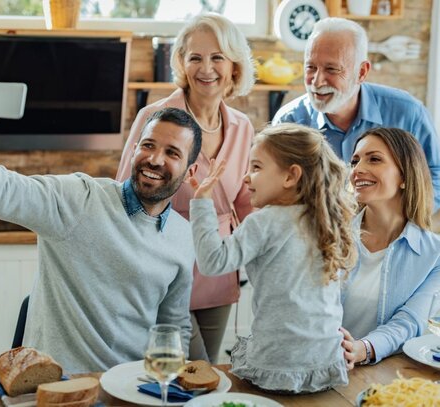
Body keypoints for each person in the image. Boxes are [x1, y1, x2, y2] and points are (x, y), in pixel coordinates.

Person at [0, 76, 203, 374]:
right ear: (133, 149)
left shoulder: (183, 236)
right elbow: (1, 190)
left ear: (191, 170)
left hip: (132, 388)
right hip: (58, 385)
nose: (154, 159)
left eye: (172, 153)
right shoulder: (78, 199)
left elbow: (173, 326)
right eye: (148, 145)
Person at [117, 12, 256, 363]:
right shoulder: (156, 117)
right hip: (162, 267)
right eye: (195, 57)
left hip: (217, 268)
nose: (206, 69)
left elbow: (246, 202)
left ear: (234, 65)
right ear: (181, 63)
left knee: (206, 379)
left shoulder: (242, 127)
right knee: (187, 372)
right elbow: (124, 193)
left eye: (217, 57)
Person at [189, 123, 357, 393]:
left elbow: (213, 261)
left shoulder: (264, 222)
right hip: (324, 363)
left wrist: (202, 202)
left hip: (279, 364)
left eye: (255, 168)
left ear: (291, 176)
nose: (245, 178)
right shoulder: (328, 220)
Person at [272, 17, 440, 230]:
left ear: (361, 72)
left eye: (332, 70)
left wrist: (403, 220)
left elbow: (435, 173)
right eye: (311, 67)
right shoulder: (289, 122)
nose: (317, 81)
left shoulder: (408, 112)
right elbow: (275, 189)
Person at [341, 128, 440, 366]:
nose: (357, 170)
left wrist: (361, 349)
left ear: (405, 176)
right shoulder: (329, 235)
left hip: (384, 375)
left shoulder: (434, 254)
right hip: (314, 365)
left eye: (374, 159)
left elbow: (409, 322)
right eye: (355, 161)